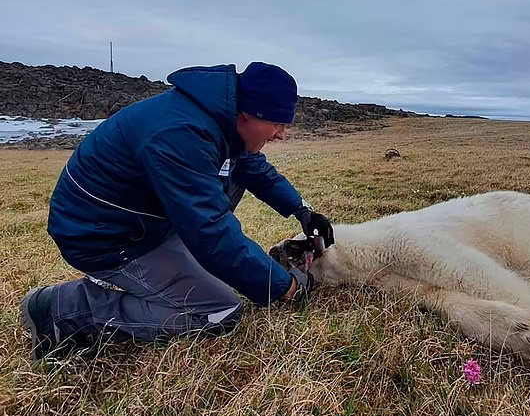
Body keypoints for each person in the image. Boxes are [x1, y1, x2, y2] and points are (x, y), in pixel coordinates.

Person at [19, 61, 335, 361]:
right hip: (104, 237)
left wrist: (302, 210)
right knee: (220, 311)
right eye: (278, 123)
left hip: (142, 224)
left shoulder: (219, 121)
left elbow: (253, 169)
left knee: (219, 274)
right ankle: (63, 309)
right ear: (249, 114)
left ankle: (163, 275)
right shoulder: (181, 134)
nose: (281, 134)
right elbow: (210, 231)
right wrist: (286, 286)